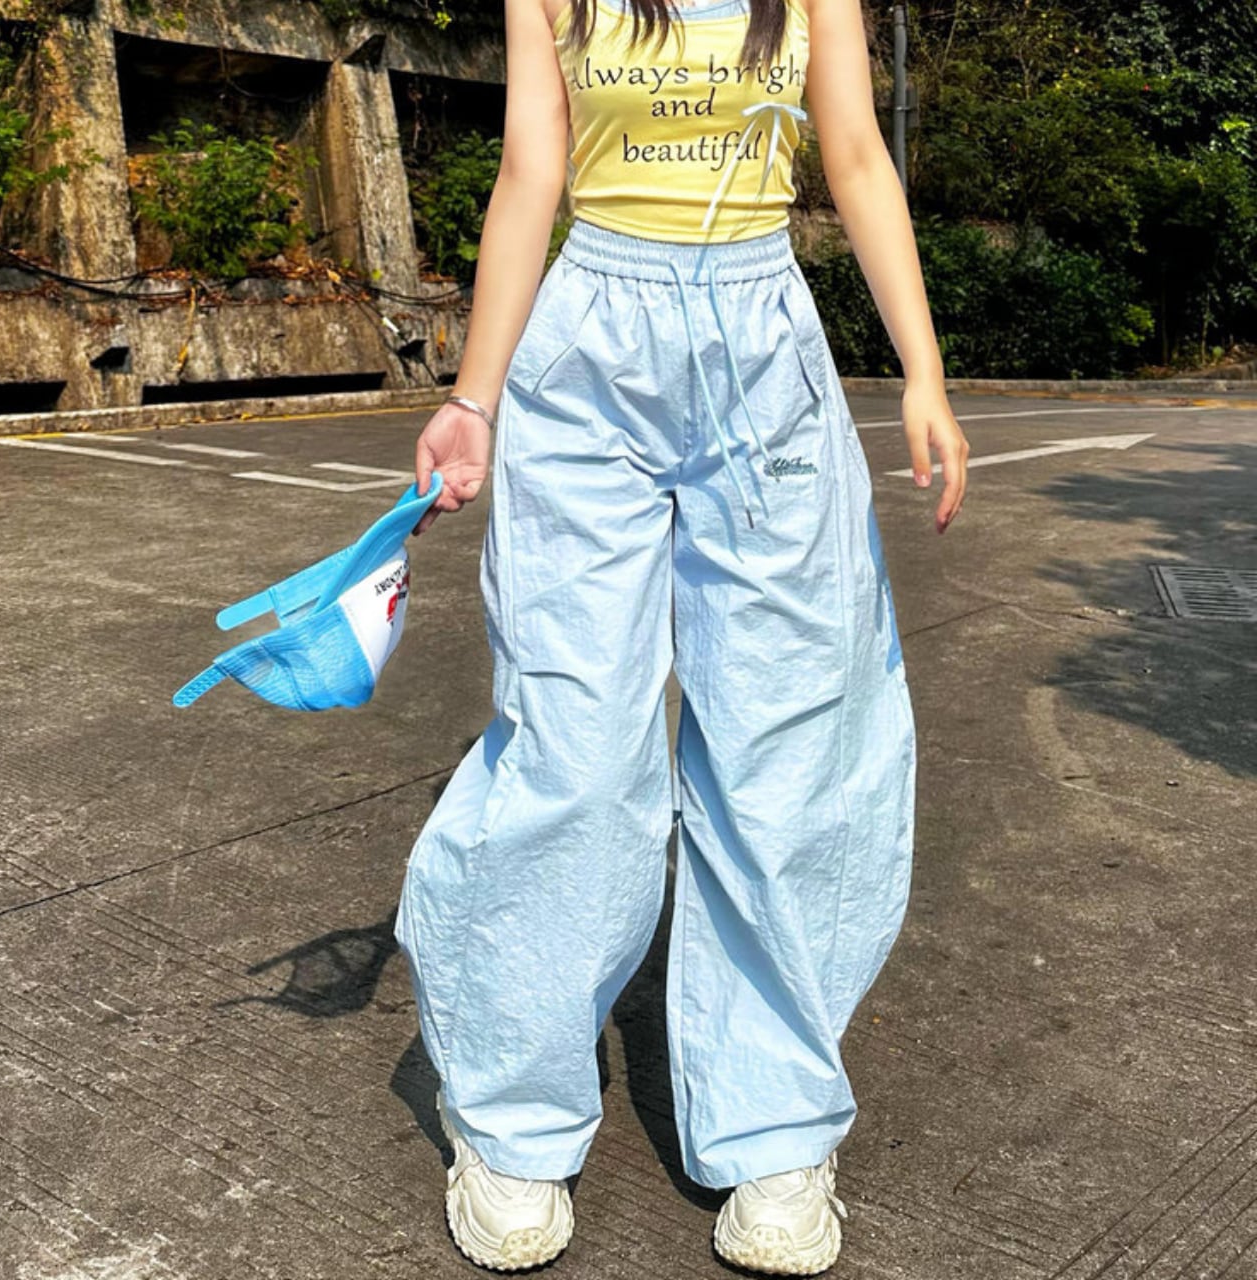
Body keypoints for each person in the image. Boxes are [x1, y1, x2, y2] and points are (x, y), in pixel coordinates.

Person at [393, 0, 969, 1270]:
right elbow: (530, 175)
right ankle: (511, 1113)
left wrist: (921, 372)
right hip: (588, 348)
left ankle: (774, 1121)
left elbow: (853, 155)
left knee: (785, 740)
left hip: (764, 344)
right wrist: (473, 398)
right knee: (572, 738)